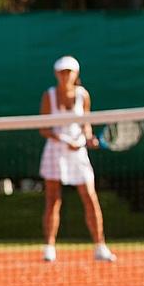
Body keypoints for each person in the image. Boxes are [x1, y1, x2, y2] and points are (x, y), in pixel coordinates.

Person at [38, 55, 116, 263]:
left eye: (69, 72)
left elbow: (86, 124)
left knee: (90, 197)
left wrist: (88, 139)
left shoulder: (83, 96)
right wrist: (64, 140)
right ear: (56, 74)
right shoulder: (49, 96)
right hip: (55, 150)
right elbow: (44, 128)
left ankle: (100, 246)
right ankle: (49, 247)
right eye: (61, 72)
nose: (65, 76)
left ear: (76, 74)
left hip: (78, 152)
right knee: (53, 200)